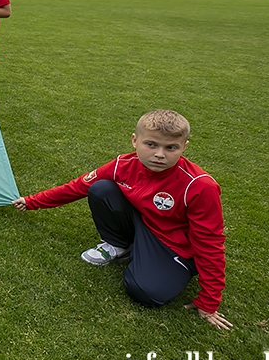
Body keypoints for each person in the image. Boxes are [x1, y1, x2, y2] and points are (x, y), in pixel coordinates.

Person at [12, 110, 231, 330]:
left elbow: (210, 242)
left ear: (184, 147)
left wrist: (209, 300)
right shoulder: (122, 165)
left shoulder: (200, 186)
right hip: (144, 223)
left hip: (173, 246)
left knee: (145, 292)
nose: (159, 154)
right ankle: (120, 245)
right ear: (135, 141)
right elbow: (78, 187)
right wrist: (32, 201)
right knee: (101, 189)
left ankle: (163, 264)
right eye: (151, 144)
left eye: (170, 147)